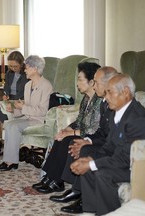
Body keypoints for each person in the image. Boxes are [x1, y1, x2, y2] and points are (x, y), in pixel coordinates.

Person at [70, 73, 145, 215]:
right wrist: (91, 159)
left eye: (110, 92)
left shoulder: (137, 118)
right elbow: (109, 146)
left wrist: (92, 164)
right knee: (88, 165)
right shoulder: (116, 113)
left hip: (135, 167)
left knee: (103, 174)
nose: (106, 97)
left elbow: (124, 159)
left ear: (126, 92)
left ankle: (108, 213)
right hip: (122, 161)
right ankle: (91, 211)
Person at [48, 67, 118, 214]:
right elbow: (99, 131)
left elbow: (102, 132)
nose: (94, 85)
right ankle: (67, 185)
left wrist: (84, 139)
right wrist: (82, 137)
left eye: (96, 82)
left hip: (112, 148)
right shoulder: (102, 102)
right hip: (99, 139)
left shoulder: (107, 103)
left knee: (80, 146)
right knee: (78, 143)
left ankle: (79, 193)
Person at [32, 62, 102, 193]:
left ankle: (57, 181)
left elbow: (93, 129)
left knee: (66, 141)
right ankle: (50, 176)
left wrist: (71, 133)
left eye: (80, 80)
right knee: (60, 138)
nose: (77, 83)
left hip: (93, 136)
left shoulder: (99, 101)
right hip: (83, 131)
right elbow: (79, 120)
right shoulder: (86, 99)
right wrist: (66, 130)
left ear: (92, 82)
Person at [0, 55, 53, 171]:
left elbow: (43, 111)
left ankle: (10, 162)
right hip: (28, 118)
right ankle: (10, 161)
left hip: (39, 120)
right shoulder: (28, 85)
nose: (24, 70)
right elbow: (25, 108)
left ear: (35, 69)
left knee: (13, 126)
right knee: (9, 123)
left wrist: (23, 107)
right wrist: (14, 110)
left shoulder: (46, 86)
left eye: (26, 67)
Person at [0, 51, 29, 155]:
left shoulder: (27, 74)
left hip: (21, 101)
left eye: (15, 66)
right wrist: (5, 95)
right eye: (11, 66)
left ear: (21, 64)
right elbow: (6, 87)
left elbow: (26, 92)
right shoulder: (9, 73)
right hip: (10, 100)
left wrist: (15, 101)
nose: (13, 68)